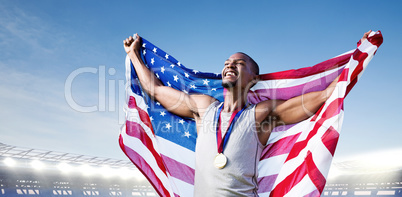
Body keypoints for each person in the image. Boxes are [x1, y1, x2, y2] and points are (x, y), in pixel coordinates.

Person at [123, 31, 371, 196]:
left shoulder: (261, 114)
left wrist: (358, 60)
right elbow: (154, 89)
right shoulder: (203, 108)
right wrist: (133, 54)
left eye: (239, 63)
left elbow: (323, 96)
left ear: (253, 78)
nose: (229, 64)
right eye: (227, 62)